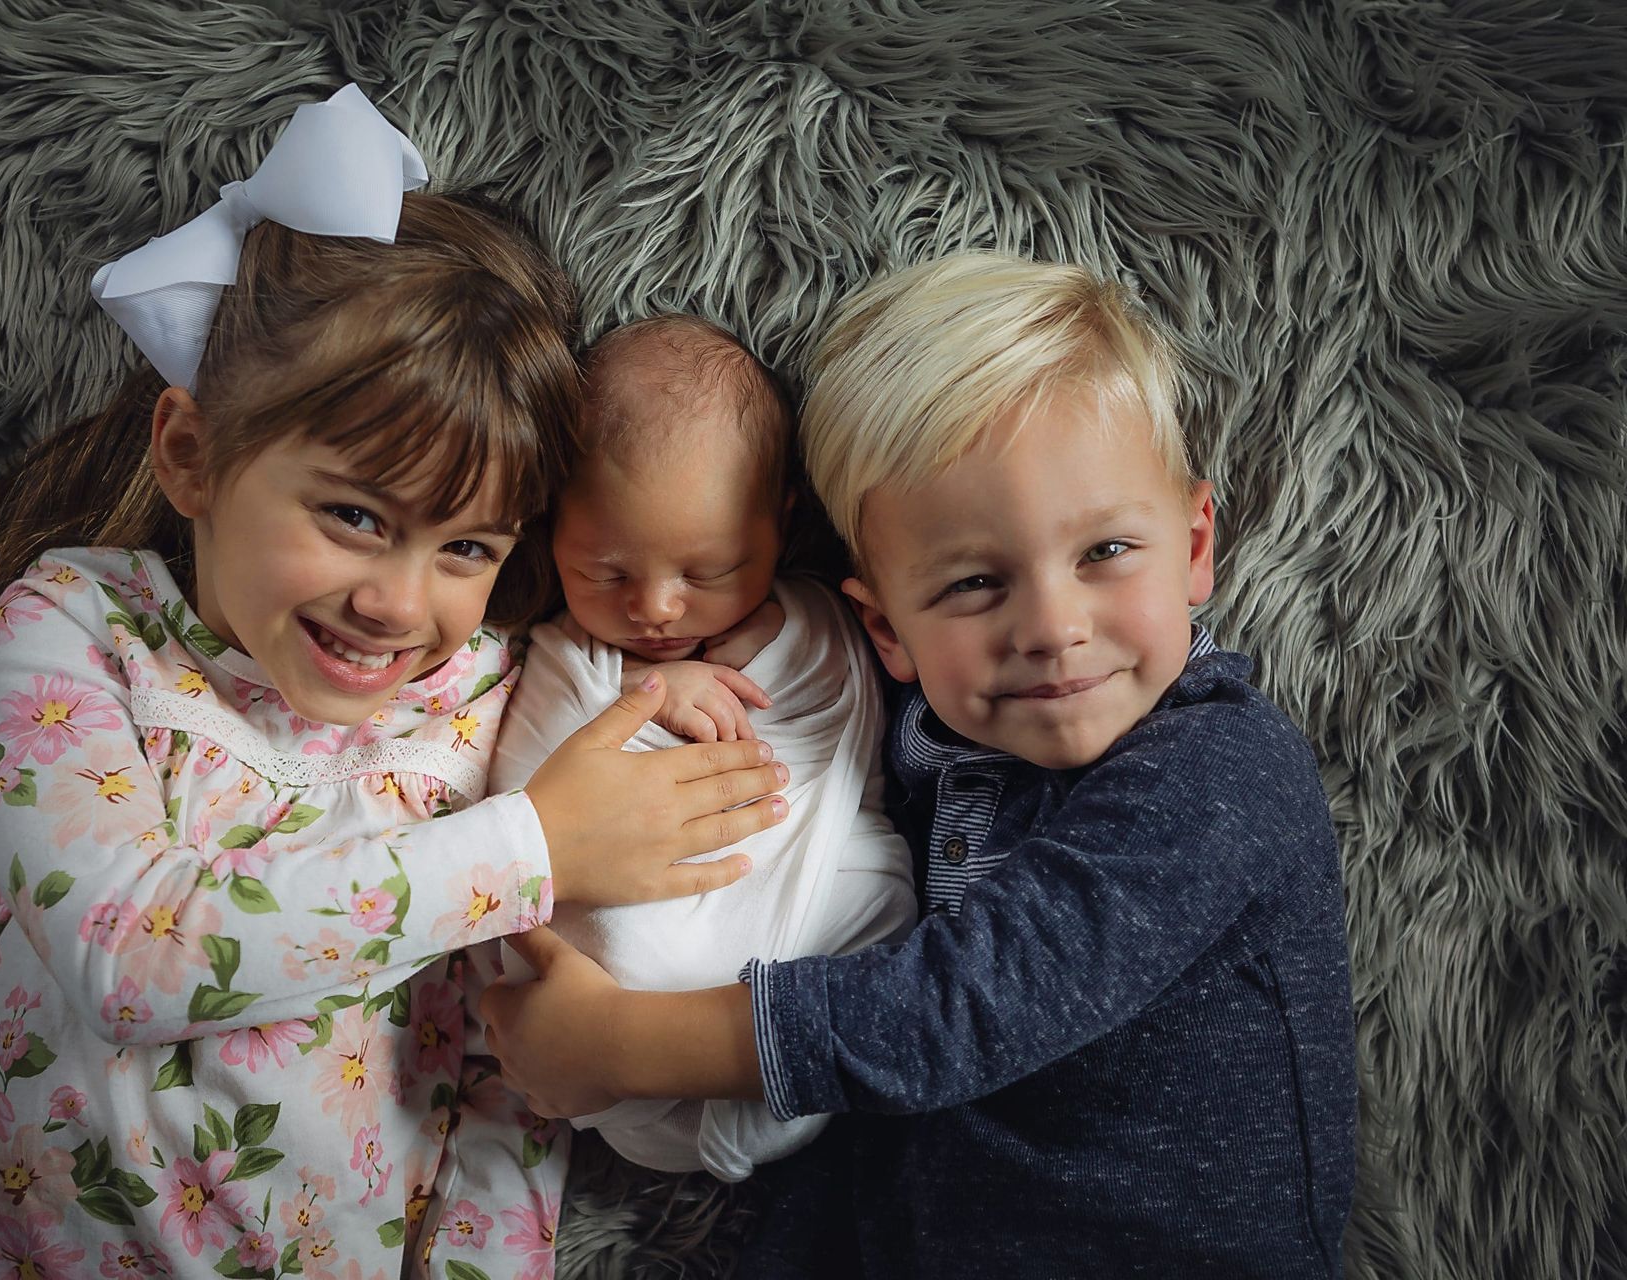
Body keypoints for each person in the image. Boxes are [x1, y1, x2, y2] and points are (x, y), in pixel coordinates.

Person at [0, 86, 793, 1280]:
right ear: (191, 454)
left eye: (469, 547)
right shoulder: (79, 630)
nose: (397, 600)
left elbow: (498, 1084)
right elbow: (133, 954)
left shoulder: (488, 693)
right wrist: (536, 846)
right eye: (352, 514)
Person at [480, 252, 1359, 1277]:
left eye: (1106, 551)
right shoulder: (925, 742)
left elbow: (963, 1003)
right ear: (885, 627)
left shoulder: (1218, 765)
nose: (1052, 627)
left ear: (1197, 543)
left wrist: (619, 1043)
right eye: (975, 582)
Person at [458, 316, 914, 1187]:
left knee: (880, 891)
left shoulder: (812, 617)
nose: (658, 610)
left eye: (706, 573)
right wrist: (644, 694)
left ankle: (724, 1078)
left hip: (801, 914)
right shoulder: (564, 654)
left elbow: (835, 709)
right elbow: (532, 779)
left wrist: (770, 639)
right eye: (608, 572)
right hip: (614, 1011)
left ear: (780, 523)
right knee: (613, 938)